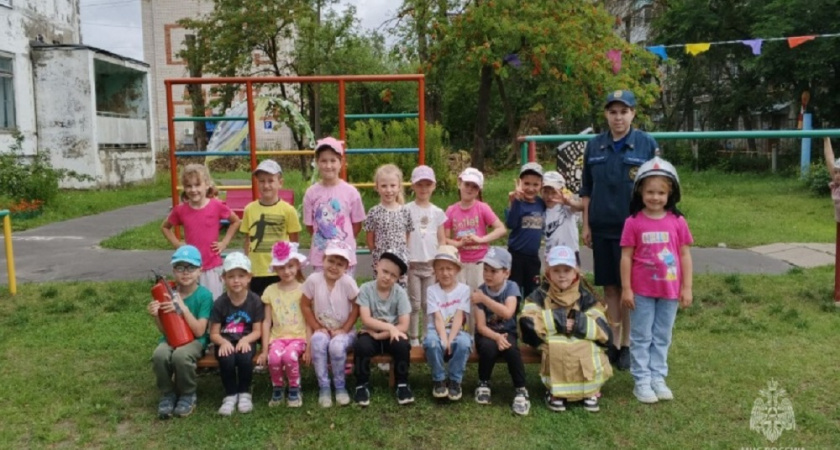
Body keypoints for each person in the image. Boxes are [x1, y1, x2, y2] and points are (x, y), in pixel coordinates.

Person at [580, 89, 658, 370]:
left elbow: (657, 187)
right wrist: (586, 224)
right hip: (602, 228)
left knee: (630, 289)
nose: (618, 117)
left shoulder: (646, 144)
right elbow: (586, 190)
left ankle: (627, 345)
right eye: (613, 112)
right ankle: (613, 343)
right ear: (606, 115)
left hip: (634, 230)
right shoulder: (594, 146)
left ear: (633, 114)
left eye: (623, 112)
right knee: (610, 288)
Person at [619, 157, 693, 403]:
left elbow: (684, 254)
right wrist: (627, 289)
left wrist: (687, 287)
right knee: (641, 336)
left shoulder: (677, 221)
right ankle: (641, 380)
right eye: (650, 191)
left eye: (661, 192)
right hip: (641, 291)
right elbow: (626, 257)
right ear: (640, 190)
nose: (655, 197)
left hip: (670, 291)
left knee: (662, 335)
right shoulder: (633, 222)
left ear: (670, 192)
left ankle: (658, 377)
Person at [520, 245, 613, 412]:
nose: (562, 275)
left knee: (587, 347)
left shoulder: (585, 296)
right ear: (548, 272)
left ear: (575, 272)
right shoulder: (539, 295)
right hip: (550, 341)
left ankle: (590, 391)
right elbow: (527, 323)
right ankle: (556, 392)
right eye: (556, 270)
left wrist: (578, 323)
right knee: (558, 347)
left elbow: (603, 328)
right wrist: (558, 321)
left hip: (580, 338)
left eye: (566, 270)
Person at [148, 245, 214, 419]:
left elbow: (200, 332)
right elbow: (165, 330)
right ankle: (167, 393)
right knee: (159, 354)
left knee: (181, 355)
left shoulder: (204, 295)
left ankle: (187, 393)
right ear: (173, 271)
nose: (186, 272)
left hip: (195, 341)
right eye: (180, 267)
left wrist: (183, 308)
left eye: (191, 268)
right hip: (171, 338)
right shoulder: (167, 293)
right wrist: (156, 315)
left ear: (200, 270)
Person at [161, 164, 240, 299]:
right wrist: (177, 244)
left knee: (213, 305)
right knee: (191, 304)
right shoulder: (180, 210)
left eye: (197, 185)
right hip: (190, 269)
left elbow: (236, 221)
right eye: (188, 186)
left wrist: (224, 242)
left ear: (207, 184)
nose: (193, 190)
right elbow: (165, 227)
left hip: (211, 267)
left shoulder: (216, 205)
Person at [445, 167, 507, 334]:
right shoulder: (451, 210)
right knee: (458, 299)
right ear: (460, 184)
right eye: (467, 184)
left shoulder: (482, 208)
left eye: (474, 187)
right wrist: (458, 244)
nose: (469, 189)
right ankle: (458, 333)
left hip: (479, 261)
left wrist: (481, 239)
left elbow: (501, 229)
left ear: (479, 190)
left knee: (476, 299)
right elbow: (444, 239)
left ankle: (475, 333)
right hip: (459, 262)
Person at [299, 240, 360, 408]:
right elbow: (304, 304)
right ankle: (324, 386)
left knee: (336, 346)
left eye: (340, 264)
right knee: (318, 342)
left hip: (345, 332)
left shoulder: (347, 282)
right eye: (331, 261)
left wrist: (344, 329)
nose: (334, 267)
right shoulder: (313, 280)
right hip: (322, 329)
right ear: (323, 259)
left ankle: (340, 386)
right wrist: (316, 326)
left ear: (346, 267)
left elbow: (357, 306)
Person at [471, 246, 530, 416]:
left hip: (507, 332)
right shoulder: (480, 291)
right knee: (488, 348)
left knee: (511, 349)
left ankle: (521, 390)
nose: (487, 274)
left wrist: (484, 299)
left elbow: (507, 312)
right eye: (485, 269)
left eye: (494, 271)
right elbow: (481, 326)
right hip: (487, 333)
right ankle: (483, 382)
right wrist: (496, 337)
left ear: (506, 273)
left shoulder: (511, 287)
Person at [352, 251, 414, 406]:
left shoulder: (400, 293)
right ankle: (361, 384)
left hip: (386, 335)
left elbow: (404, 325)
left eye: (393, 275)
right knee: (361, 347)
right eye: (385, 271)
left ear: (398, 278)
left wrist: (383, 335)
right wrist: (389, 327)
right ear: (377, 267)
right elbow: (366, 318)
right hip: (371, 331)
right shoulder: (366, 288)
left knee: (402, 345)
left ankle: (402, 384)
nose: (387, 277)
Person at [209, 252, 264, 416]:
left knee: (245, 356)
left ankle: (245, 392)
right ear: (223, 278)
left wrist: (246, 340)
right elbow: (213, 333)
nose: (236, 280)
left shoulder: (255, 301)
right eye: (231, 276)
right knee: (227, 358)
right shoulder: (220, 303)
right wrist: (223, 342)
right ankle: (230, 394)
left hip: (246, 341)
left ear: (249, 278)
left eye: (241, 275)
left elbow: (257, 331)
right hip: (225, 342)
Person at [256, 242, 310, 408]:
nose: (286, 271)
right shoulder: (270, 291)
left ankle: (295, 387)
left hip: (298, 337)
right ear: (276, 269)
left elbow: (309, 320)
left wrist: (309, 348)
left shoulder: (304, 289)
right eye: (281, 267)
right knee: (273, 358)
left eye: (290, 266)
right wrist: (265, 350)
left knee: (289, 356)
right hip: (277, 337)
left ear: (298, 266)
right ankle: (277, 387)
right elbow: (266, 322)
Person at [303, 137, 366, 275]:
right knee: (321, 294)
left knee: (345, 293)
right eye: (323, 161)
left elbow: (357, 225)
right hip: (321, 257)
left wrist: (342, 237)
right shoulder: (311, 193)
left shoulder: (351, 192)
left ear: (341, 163)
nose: (328, 165)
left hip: (344, 258)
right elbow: (310, 226)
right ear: (317, 163)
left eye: (333, 160)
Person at [239, 159, 301, 296]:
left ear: (280, 183)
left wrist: (295, 268)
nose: (266, 185)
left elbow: (294, 242)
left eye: (270, 180)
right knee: (258, 309)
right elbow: (247, 240)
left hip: (279, 269)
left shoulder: (288, 210)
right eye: (262, 181)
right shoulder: (249, 209)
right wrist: (246, 266)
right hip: (257, 271)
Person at [423, 245, 472, 401]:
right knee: (431, 342)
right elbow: (437, 318)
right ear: (435, 271)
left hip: (459, 330)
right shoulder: (431, 290)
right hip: (436, 330)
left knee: (464, 343)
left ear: (457, 270)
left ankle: (455, 380)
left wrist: (450, 340)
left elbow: (459, 316)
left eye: (449, 268)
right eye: (441, 269)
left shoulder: (464, 290)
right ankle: (439, 378)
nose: (445, 273)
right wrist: (444, 338)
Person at [405, 165, 447, 346]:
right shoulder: (406, 210)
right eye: (419, 185)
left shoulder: (437, 212)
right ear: (413, 186)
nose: (423, 189)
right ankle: (413, 337)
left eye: (427, 185)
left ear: (433, 186)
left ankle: (426, 335)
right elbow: (404, 237)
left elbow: (442, 239)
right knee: (414, 304)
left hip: (430, 266)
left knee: (427, 304)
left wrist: (441, 264)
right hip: (413, 265)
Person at [364, 163, 413, 286]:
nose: (389, 190)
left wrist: (402, 254)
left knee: (399, 293)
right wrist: (378, 257)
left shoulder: (405, 211)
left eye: (392, 186)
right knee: (381, 294)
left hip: (400, 261)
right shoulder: (374, 212)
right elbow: (370, 241)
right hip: (381, 262)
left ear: (399, 187)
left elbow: (406, 237)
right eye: (384, 186)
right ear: (377, 187)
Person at [506, 162, 546, 299]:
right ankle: (512, 316)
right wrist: (513, 202)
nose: (531, 188)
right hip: (515, 256)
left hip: (533, 256)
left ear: (541, 185)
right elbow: (510, 224)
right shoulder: (517, 203)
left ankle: (531, 318)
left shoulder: (541, 203)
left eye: (535, 185)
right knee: (514, 291)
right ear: (519, 183)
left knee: (533, 292)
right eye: (527, 183)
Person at [542, 171, 583, 262]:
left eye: (554, 192)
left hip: (570, 253)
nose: (549, 196)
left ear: (562, 192)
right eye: (546, 192)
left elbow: (581, 207)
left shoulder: (566, 207)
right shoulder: (542, 209)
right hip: (551, 255)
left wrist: (569, 202)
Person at [824, 138, 840, 308]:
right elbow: (830, 159)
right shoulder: (836, 185)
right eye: (836, 172)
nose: (837, 175)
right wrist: (826, 138)